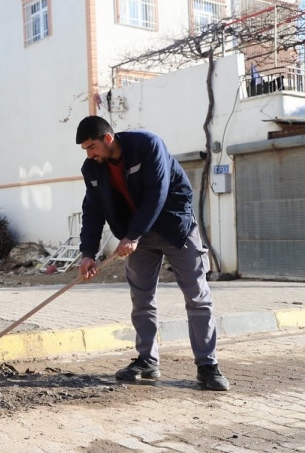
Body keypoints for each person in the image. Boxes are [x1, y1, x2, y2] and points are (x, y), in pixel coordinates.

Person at [75, 116, 229, 391]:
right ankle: (147, 361)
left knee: (197, 296)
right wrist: (88, 252)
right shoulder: (93, 169)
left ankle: (208, 366)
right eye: (85, 149)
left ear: (107, 139)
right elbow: (93, 210)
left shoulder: (147, 145)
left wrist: (131, 235)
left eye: (92, 147)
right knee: (142, 298)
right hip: (136, 236)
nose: (89, 154)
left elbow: (157, 194)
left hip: (174, 228)